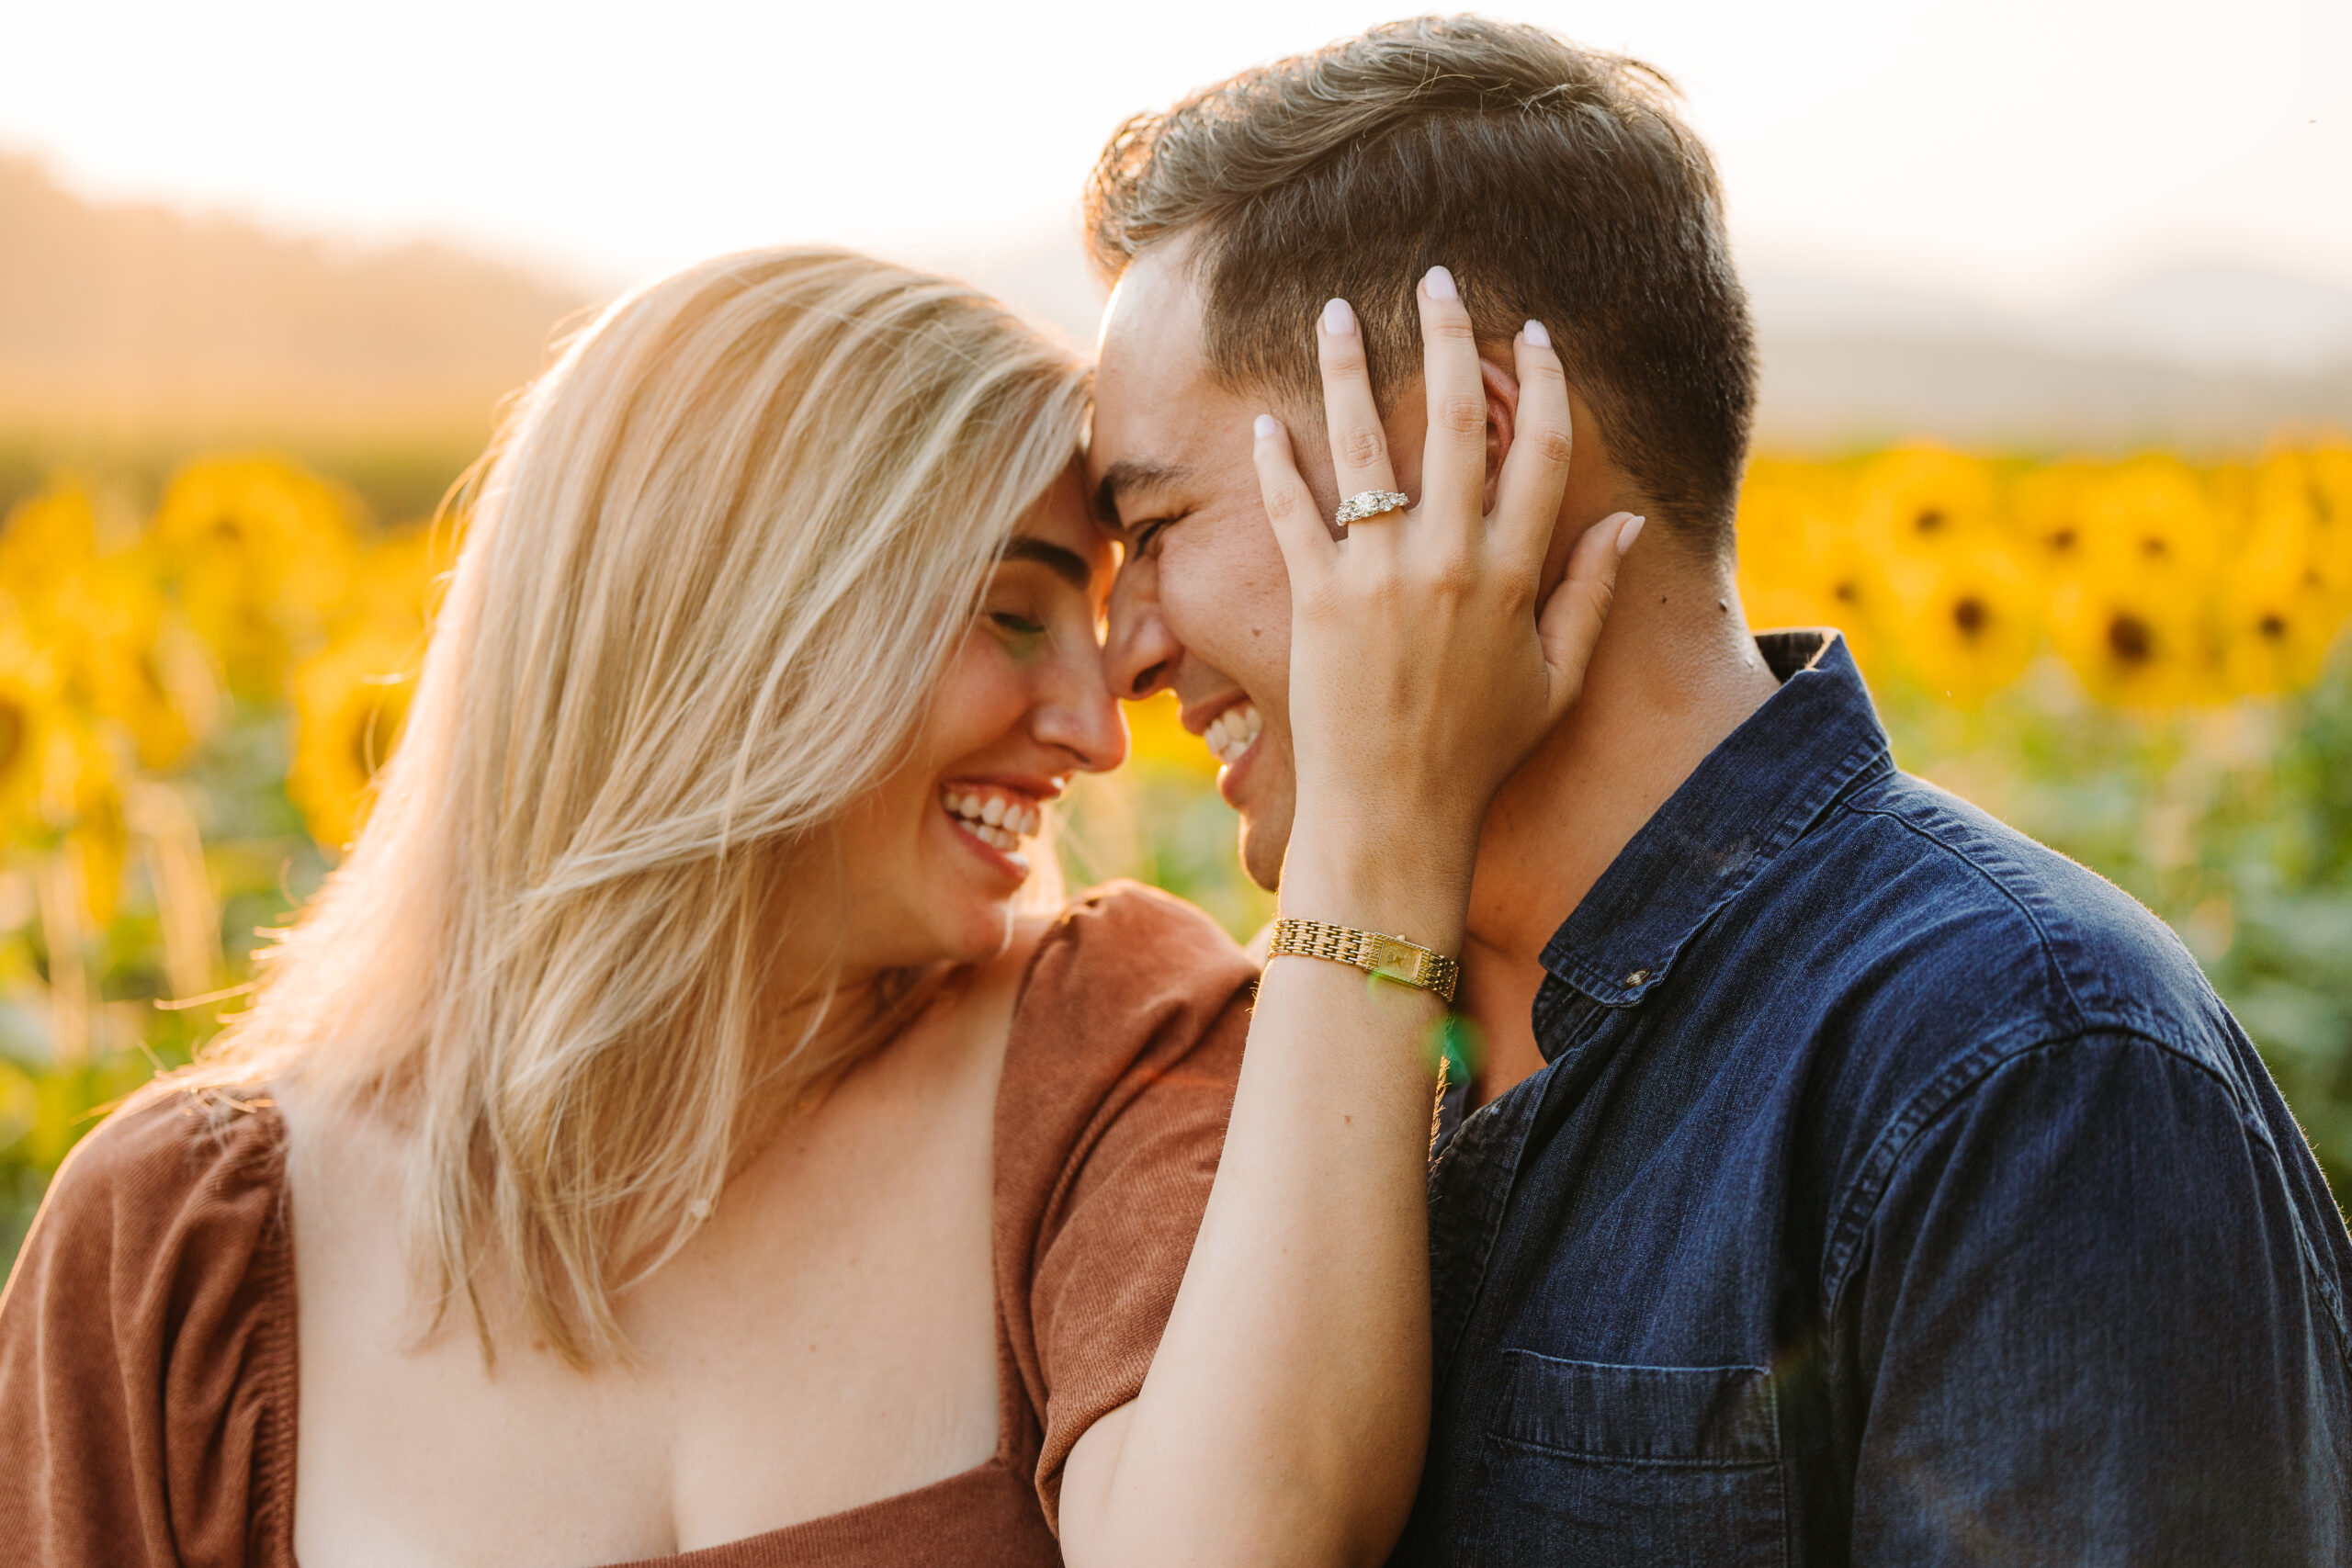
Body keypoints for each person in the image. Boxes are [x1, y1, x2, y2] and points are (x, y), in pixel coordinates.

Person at [0, 246, 1623, 1565]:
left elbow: (1242, 1545)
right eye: (1009, 615)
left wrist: (1383, 816)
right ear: (727, 630)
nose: (1096, 728)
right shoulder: (181, 1261)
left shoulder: (1105, 1057)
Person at [1084, 16, 2352, 1563]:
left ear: (1460, 449)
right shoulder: (1331, 1068)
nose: (1123, 656)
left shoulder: (2023, 1063)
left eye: (1151, 526)